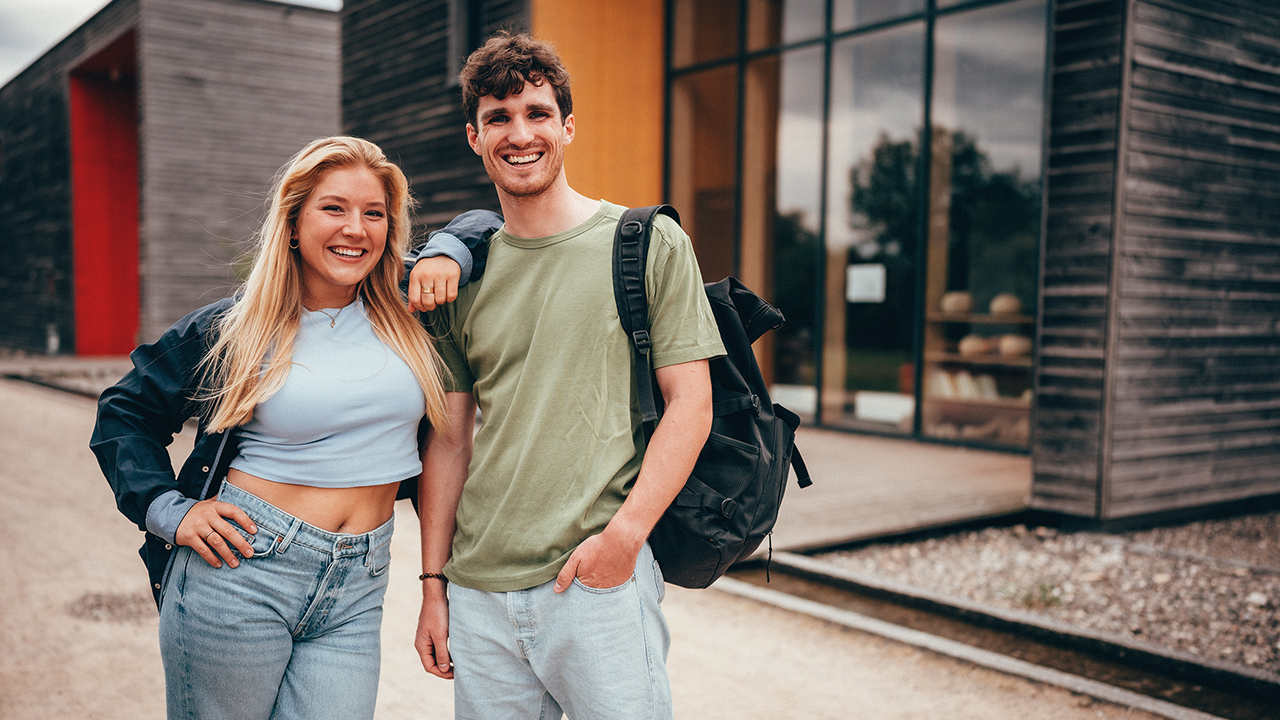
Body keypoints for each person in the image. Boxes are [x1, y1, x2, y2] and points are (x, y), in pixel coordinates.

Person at [89, 135, 497, 720]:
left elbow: (487, 220)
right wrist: (169, 510)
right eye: (334, 208)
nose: (356, 228)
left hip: (359, 580)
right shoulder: (234, 329)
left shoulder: (410, 308)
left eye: (374, 213)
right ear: (293, 222)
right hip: (241, 570)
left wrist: (448, 250)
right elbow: (123, 412)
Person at [408, 32, 726, 719]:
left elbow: (690, 404)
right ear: (474, 137)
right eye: (499, 118)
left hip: (594, 582)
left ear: (567, 126)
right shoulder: (465, 277)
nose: (519, 134)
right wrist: (434, 584)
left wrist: (625, 538)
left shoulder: (645, 244)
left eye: (537, 113)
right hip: (478, 591)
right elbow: (450, 441)